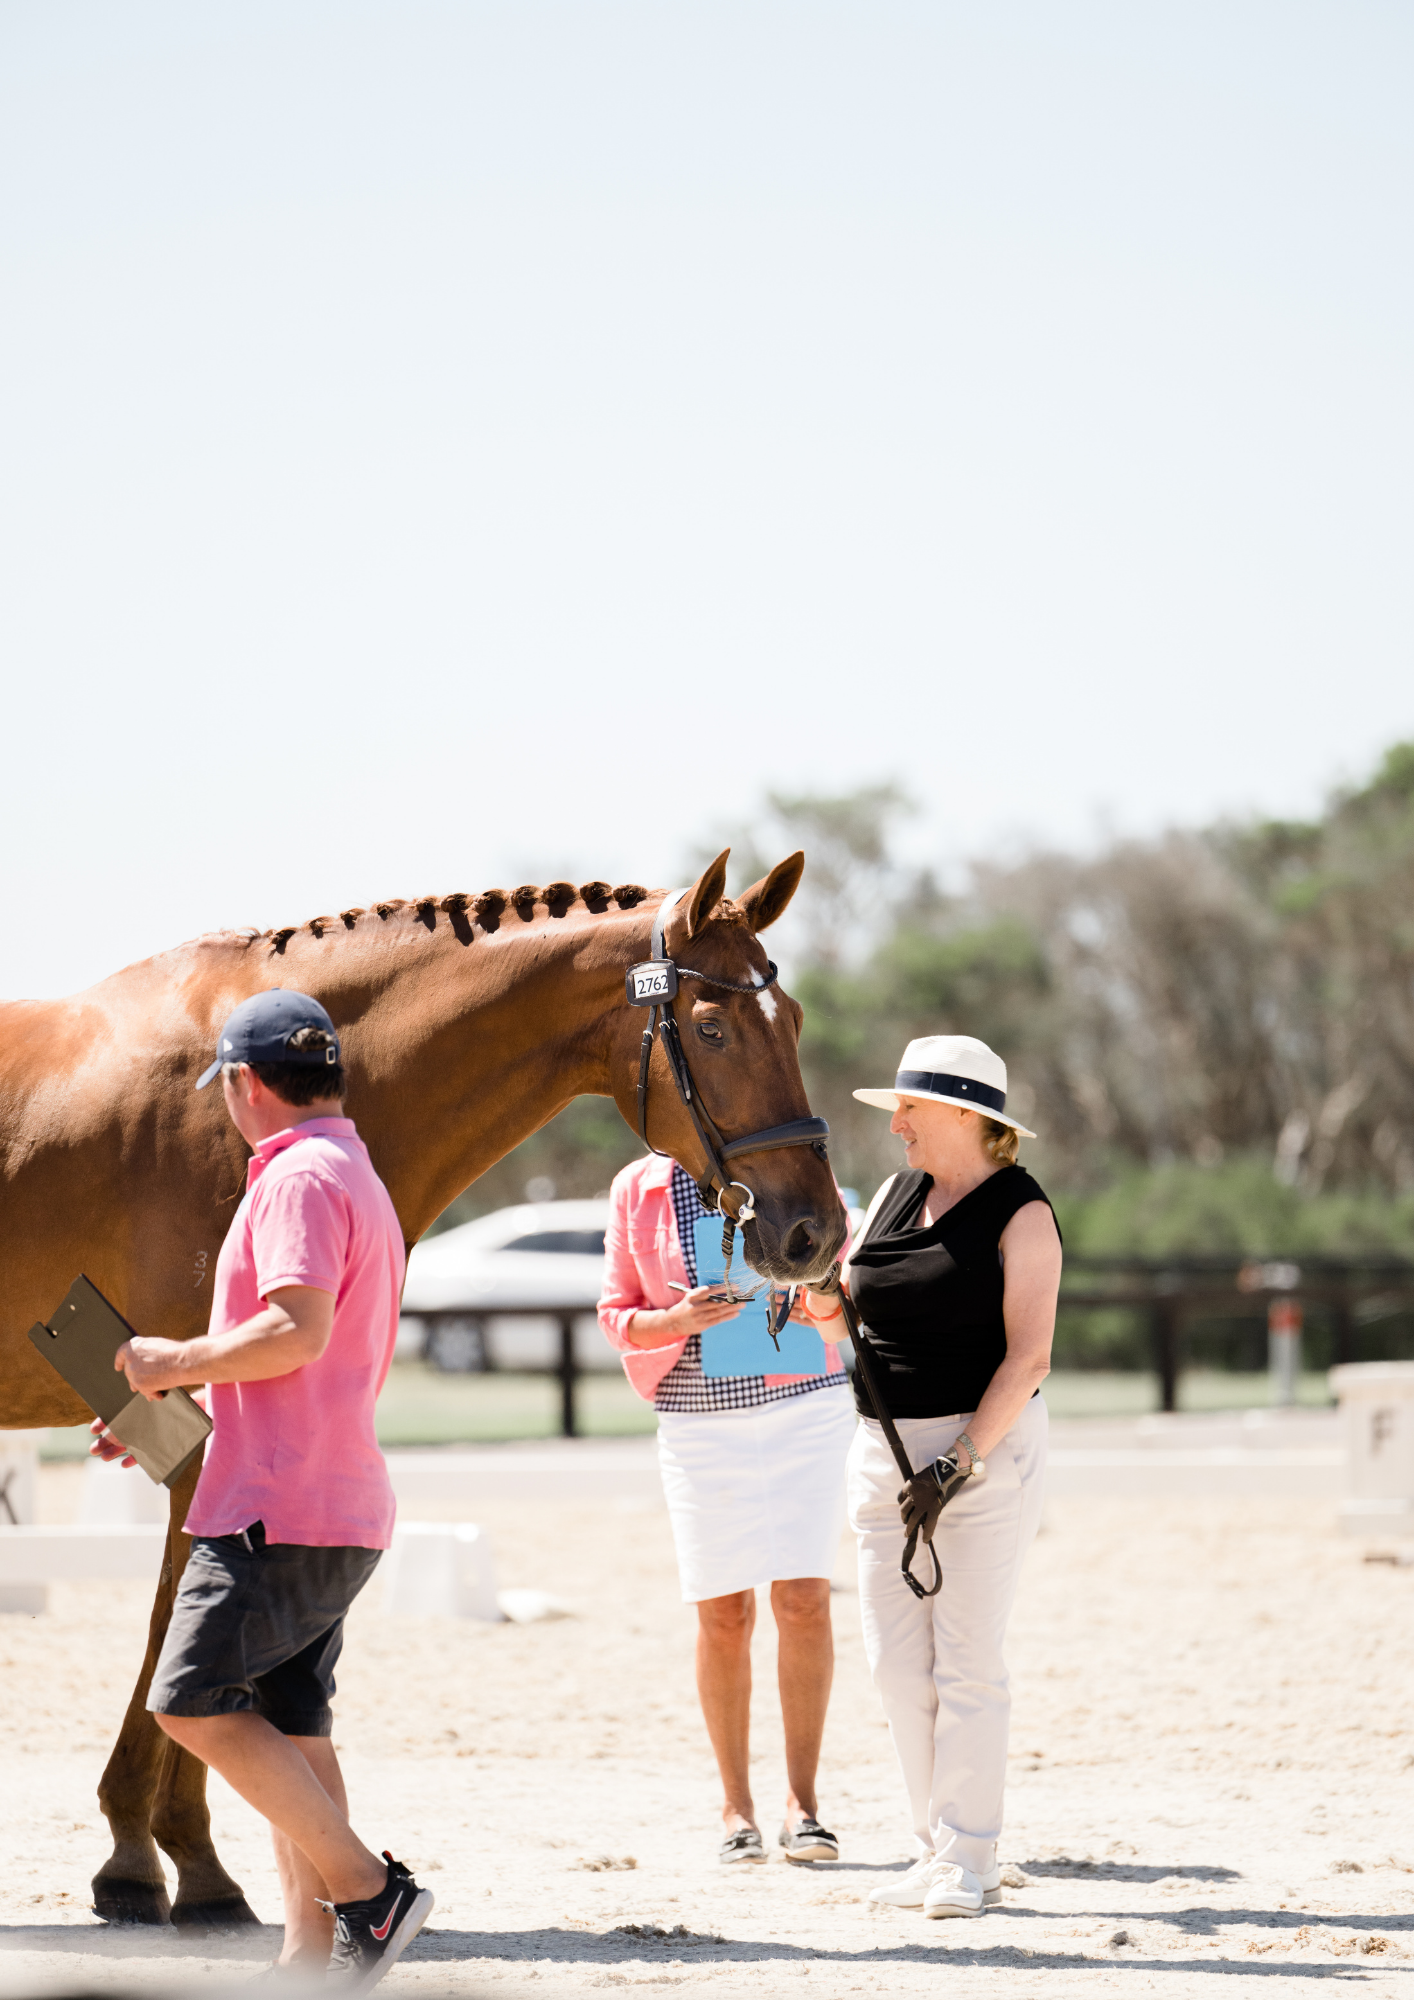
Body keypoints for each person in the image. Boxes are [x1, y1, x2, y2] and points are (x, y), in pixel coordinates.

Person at [91, 988, 433, 1989]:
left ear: (243, 1082)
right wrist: (173, 1397)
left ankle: (369, 1894)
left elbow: (297, 1330)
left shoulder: (294, 1178)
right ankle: (310, 1954)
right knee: (292, 1728)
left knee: (189, 1703)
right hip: (331, 1495)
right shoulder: (354, 1172)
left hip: (272, 1505)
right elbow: (304, 1353)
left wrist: (173, 1357)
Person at [799, 1034, 1061, 1921]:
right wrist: (825, 1306)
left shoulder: (1022, 1213)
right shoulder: (892, 1193)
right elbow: (852, 1323)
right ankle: (931, 1847)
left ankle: (969, 1859)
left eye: (909, 1108)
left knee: (968, 1664)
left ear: (962, 1114)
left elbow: (1028, 1358)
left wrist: (958, 1462)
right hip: (879, 1450)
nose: (897, 1123)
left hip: (978, 1451)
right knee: (896, 1666)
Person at [598, 1151, 856, 1864]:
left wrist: (820, 1286)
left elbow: (845, 1256)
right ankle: (734, 1808)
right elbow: (616, 1316)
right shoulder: (639, 1186)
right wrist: (676, 1319)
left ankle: (803, 1807)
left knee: (804, 1599)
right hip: (696, 1419)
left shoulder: (783, 1154)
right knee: (723, 1613)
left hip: (804, 1405)